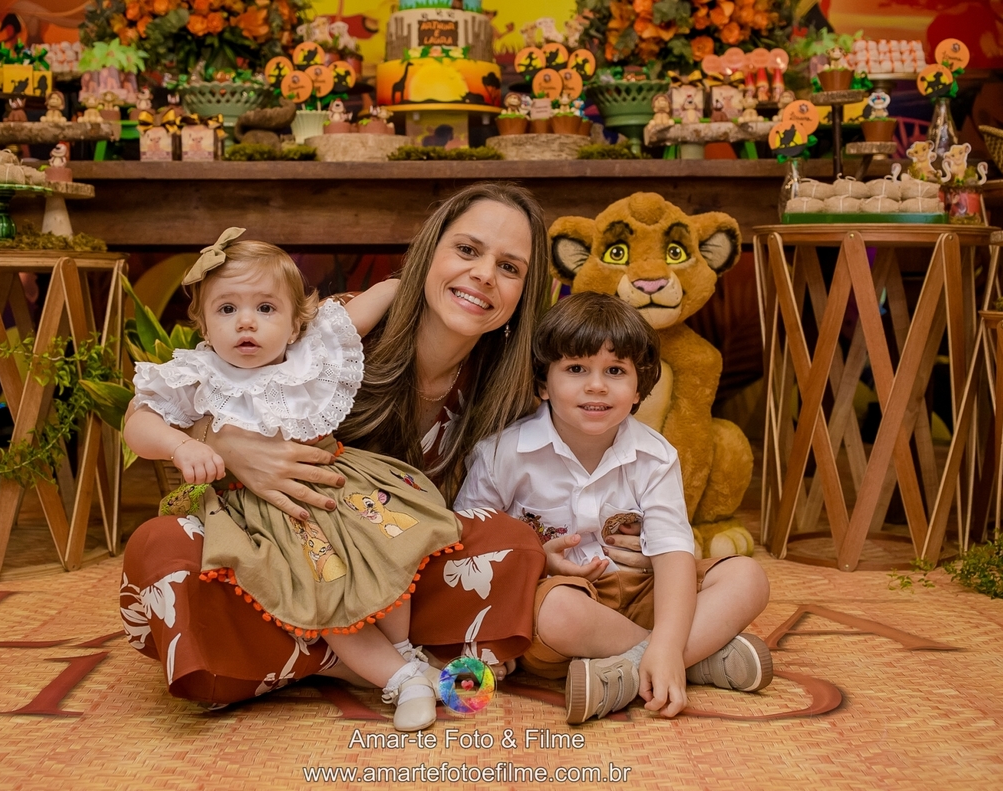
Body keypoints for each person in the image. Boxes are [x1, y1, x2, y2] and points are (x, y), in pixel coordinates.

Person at [120, 183, 552, 707]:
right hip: (271, 545)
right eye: (466, 250)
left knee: (515, 544)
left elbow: (512, 496)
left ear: (525, 291)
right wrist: (226, 446)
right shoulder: (335, 334)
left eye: (510, 268)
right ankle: (378, 659)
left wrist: (562, 548)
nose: (484, 273)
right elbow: (153, 413)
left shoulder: (511, 386)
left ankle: (329, 658)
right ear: (427, 255)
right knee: (161, 550)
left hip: (394, 562)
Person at [124, 229, 461, 730]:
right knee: (324, 589)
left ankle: (401, 653)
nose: (246, 322)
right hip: (267, 511)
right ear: (201, 321)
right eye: (226, 309)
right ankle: (402, 680)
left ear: (295, 321)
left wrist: (422, 272)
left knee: (393, 550)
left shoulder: (312, 353)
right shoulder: (198, 374)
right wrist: (181, 444)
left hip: (339, 485)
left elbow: (369, 304)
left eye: (265, 309)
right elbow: (137, 422)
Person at [454, 292, 772, 724]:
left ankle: (628, 670)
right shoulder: (503, 453)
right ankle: (687, 659)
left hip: (643, 591)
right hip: (561, 602)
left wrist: (665, 639)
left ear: (639, 387)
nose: (597, 385)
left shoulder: (655, 456)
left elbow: (674, 553)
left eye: (616, 371)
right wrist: (535, 564)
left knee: (747, 576)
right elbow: (468, 546)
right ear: (543, 383)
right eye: (576, 369)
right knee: (556, 613)